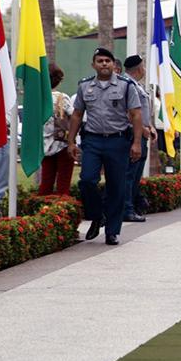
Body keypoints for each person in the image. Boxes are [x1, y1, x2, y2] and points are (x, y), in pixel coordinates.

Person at [67, 47, 143, 246]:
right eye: (100, 61)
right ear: (93, 64)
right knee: (87, 181)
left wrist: (136, 143)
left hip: (118, 141)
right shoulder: (84, 86)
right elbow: (76, 114)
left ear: (114, 65)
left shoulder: (126, 86)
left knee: (116, 186)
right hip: (92, 140)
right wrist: (71, 141)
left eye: (107, 61)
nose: (103, 64)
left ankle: (112, 231)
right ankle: (97, 214)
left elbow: (135, 114)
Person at [121, 54, 155, 223]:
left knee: (135, 175)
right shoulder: (127, 85)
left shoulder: (136, 85)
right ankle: (127, 209)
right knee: (129, 174)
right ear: (139, 68)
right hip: (133, 135)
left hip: (142, 134)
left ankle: (132, 206)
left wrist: (150, 127)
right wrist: (142, 129)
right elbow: (128, 112)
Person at [39, 62, 75, 196]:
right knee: (63, 183)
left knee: (46, 182)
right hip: (62, 144)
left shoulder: (37, 99)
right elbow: (74, 116)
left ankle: (43, 209)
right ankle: (62, 210)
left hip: (44, 146)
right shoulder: (62, 98)